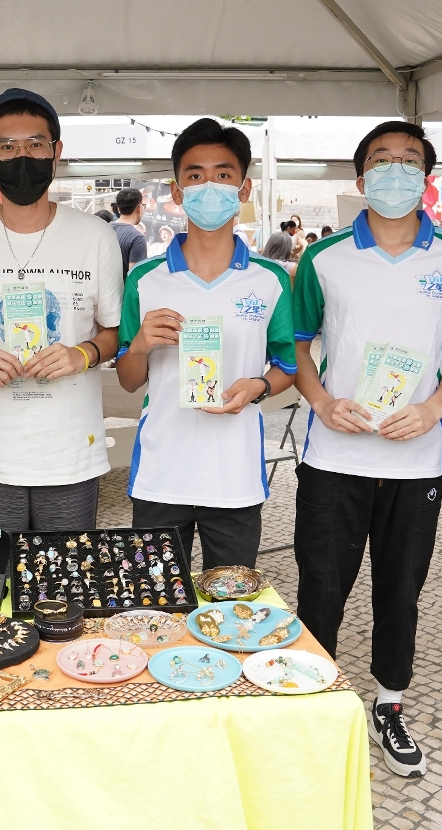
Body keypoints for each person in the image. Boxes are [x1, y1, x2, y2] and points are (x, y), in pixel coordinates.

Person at [291, 120, 442, 779]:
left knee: (400, 589)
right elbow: (298, 345)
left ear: (426, 179)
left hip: (415, 459)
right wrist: (322, 402)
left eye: (409, 161)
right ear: (361, 178)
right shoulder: (324, 259)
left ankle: (388, 704)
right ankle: (312, 702)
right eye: (382, 160)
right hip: (334, 456)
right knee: (322, 586)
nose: (395, 171)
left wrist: (434, 408)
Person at [0, 87, 123, 532]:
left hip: (71, 451)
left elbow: (114, 332)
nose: (22, 157)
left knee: (66, 571)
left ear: (56, 152)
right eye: (7, 146)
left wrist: (83, 354)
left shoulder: (96, 237)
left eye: (35, 144)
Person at [117, 118, 296, 569]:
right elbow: (128, 379)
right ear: (177, 192)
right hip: (161, 473)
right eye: (195, 175)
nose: (209, 186)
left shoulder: (270, 279)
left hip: (234, 476)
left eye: (223, 174)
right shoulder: (145, 279)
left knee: (231, 602)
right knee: (157, 599)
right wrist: (139, 346)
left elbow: (288, 366)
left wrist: (257, 387)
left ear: (244, 188)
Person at [110, 188, 149, 280]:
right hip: (123, 289)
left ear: (118, 209)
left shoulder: (104, 229)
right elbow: (135, 277)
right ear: (139, 208)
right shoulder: (137, 238)